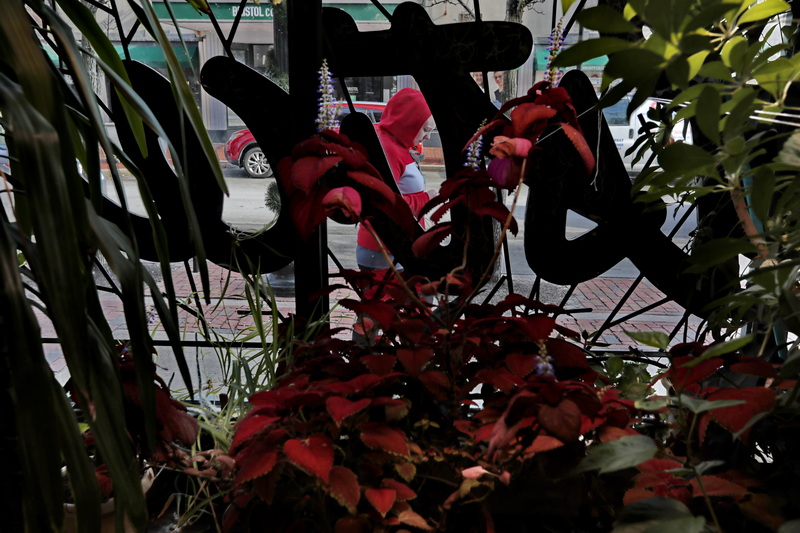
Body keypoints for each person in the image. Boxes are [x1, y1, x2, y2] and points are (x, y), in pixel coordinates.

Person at [356, 88, 436, 271]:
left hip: (392, 246)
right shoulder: (389, 149)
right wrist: (426, 199)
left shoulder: (395, 145)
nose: (428, 136)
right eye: (425, 129)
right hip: (386, 249)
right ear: (409, 121)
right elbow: (384, 204)